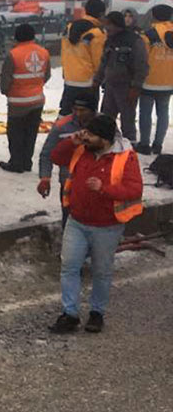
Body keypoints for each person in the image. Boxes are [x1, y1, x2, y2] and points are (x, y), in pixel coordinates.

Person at [48, 115, 143, 334]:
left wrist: (104, 188)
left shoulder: (125, 157)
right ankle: (70, 313)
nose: (86, 138)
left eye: (91, 135)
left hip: (107, 226)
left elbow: (134, 189)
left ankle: (96, 313)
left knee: (102, 270)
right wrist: (72, 141)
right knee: (70, 266)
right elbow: (56, 157)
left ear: (105, 139)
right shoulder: (82, 148)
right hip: (77, 220)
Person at [37, 92, 98, 224]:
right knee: (70, 221)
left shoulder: (105, 125)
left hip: (97, 185)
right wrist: (45, 178)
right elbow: (47, 154)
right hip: (69, 184)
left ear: (92, 110)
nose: (78, 114)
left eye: (83, 110)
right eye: (75, 110)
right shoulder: (61, 126)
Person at [0, 24, 51, 173]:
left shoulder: (13, 55)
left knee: (16, 133)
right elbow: (46, 75)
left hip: (18, 102)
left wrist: (6, 92)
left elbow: (5, 80)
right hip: (37, 101)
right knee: (30, 133)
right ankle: (27, 162)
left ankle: (16, 163)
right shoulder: (44, 53)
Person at [93, 10, 148, 143]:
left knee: (127, 120)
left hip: (126, 88)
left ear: (116, 24)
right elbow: (103, 62)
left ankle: (129, 147)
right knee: (106, 119)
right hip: (110, 86)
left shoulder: (134, 41)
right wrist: (97, 80)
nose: (106, 28)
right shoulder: (110, 41)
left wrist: (135, 87)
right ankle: (106, 144)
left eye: (108, 25)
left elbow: (141, 66)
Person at [60, 0, 107, 114]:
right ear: (101, 14)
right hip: (88, 82)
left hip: (70, 79)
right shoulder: (97, 33)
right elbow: (99, 60)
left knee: (66, 115)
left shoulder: (69, 28)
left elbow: (64, 52)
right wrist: (101, 79)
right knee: (88, 116)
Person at [136, 4, 173, 155]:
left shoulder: (148, 35)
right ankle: (158, 144)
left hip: (149, 82)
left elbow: (141, 59)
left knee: (145, 112)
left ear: (154, 16)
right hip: (169, 81)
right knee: (163, 113)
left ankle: (144, 144)